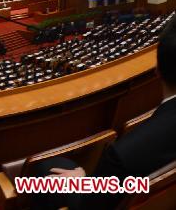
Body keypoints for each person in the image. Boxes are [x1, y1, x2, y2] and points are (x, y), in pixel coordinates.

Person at [30, 15, 176, 209]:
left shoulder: (123, 153)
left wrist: (83, 181)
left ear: (156, 70)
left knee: (44, 171)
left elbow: (89, 206)